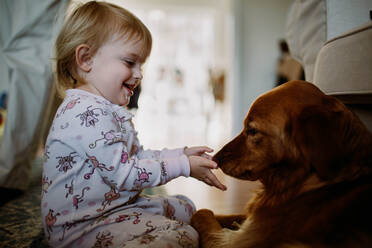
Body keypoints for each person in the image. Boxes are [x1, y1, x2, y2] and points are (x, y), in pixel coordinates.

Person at [41, 1, 226, 247]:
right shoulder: (86, 113)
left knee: (185, 208)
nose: (139, 74)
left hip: (112, 208)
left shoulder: (106, 109)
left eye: (141, 65)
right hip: (81, 226)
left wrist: (179, 154)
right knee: (184, 235)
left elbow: (135, 157)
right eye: (130, 62)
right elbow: (125, 174)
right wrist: (182, 166)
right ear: (85, 59)